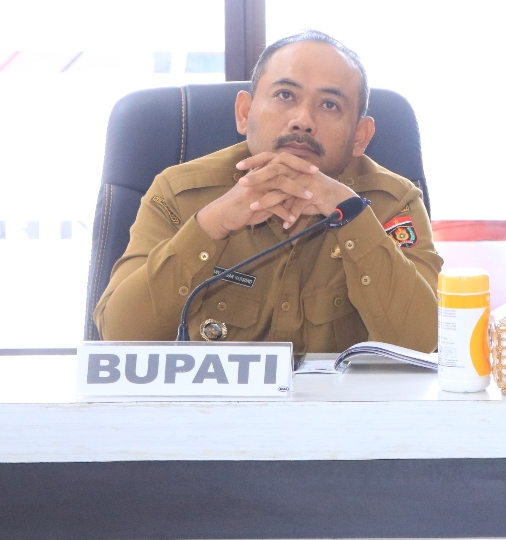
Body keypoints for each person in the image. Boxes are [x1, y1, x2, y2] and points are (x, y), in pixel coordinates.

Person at [95, 30, 441, 353]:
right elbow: (120, 336)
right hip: (215, 399)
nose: (303, 120)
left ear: (360, 137)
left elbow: (424, 343)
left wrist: (351, 216)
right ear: (244, 113)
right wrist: (210, 226)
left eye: (329, 105)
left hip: (343, 401)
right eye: (285, 95)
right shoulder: (179, 193)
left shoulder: (392, 203)